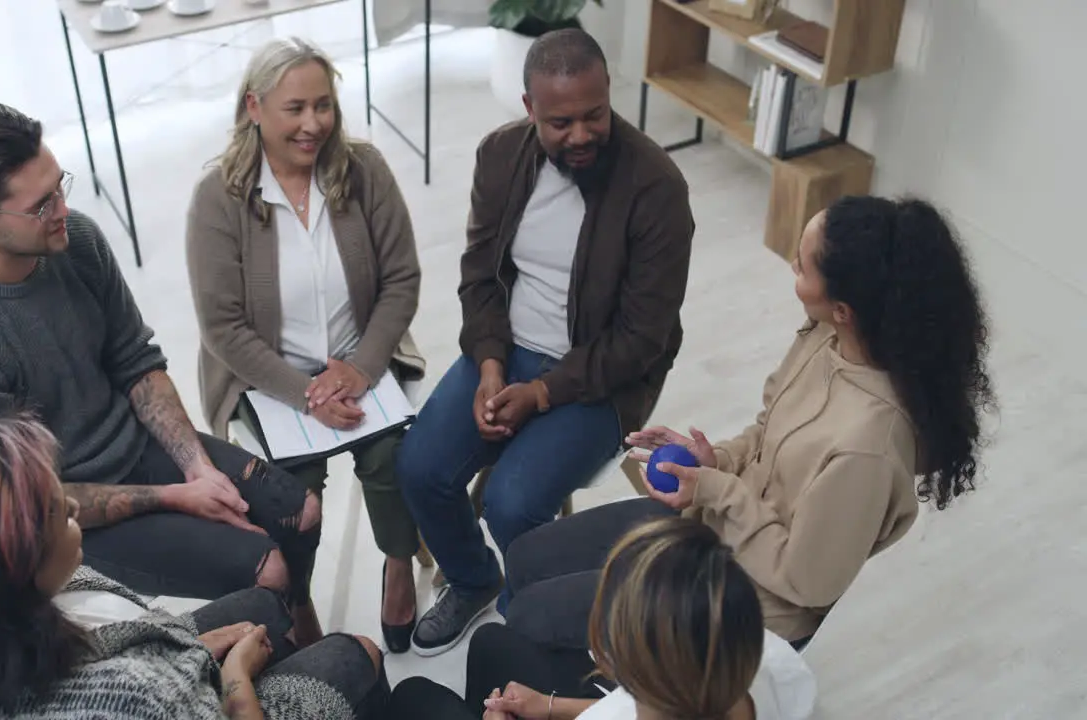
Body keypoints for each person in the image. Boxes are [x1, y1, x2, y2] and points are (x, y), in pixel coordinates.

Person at [0, 102, 324, 643]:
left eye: (60, 185)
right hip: (58, 517)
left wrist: (196, 467)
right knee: (267, 567)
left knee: (301, 514)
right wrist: (177, 497)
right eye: (40, 205)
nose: (62, 208)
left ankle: (298, 628)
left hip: (134, 448)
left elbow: (137, 363)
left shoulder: (75, 239)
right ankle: (281, 651)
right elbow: (26, 503)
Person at [498, 195, 996, 653]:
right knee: (524, 561)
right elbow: (767, 429)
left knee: (527, 619)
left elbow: (807, 582)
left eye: (802, 266)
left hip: (745, 605)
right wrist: (716, 461)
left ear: (843, 308)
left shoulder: (867, 450)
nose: (793, 269)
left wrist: (715, 490)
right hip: (714, 526)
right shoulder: (825, 338)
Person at [396, 28, 695, 656]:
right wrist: (489, 365)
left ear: (609, 93)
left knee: (513, 504)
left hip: (601, 377)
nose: (581, 135)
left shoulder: (657, 189)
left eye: (595, 114)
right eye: (561, 122)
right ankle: (475, 579)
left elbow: (643, 339)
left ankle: (529, 617)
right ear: (528, 108)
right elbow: (479, 276)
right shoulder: (502, 157)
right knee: (420, 467)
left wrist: (541, 392)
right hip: (509, 352)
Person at [0, 416, 388, 719]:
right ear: (17, 579)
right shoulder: (138, 699)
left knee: (263, 605)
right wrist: (234, 679)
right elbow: (156, 699)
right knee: (355, 653)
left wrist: (191, 651)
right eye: (53, 511)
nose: (71, 506)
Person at [185, 37, 425, 653]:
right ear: (254, 107)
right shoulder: (219, 197)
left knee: (396, 459)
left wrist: (364, 368)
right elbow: (223, 327)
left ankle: (399, 564)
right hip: (267, 382)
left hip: (359, 359)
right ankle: (297, 598)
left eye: (324, 105)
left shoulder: (363, 170)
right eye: (295, 108)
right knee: (291, 498)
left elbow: (401, 279)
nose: (314, 123)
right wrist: (307, 394)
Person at [387, 517, 816, 719]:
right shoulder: (767, 661)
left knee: (412, 696)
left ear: (620, 667)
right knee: (489, 643)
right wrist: (552, 707)